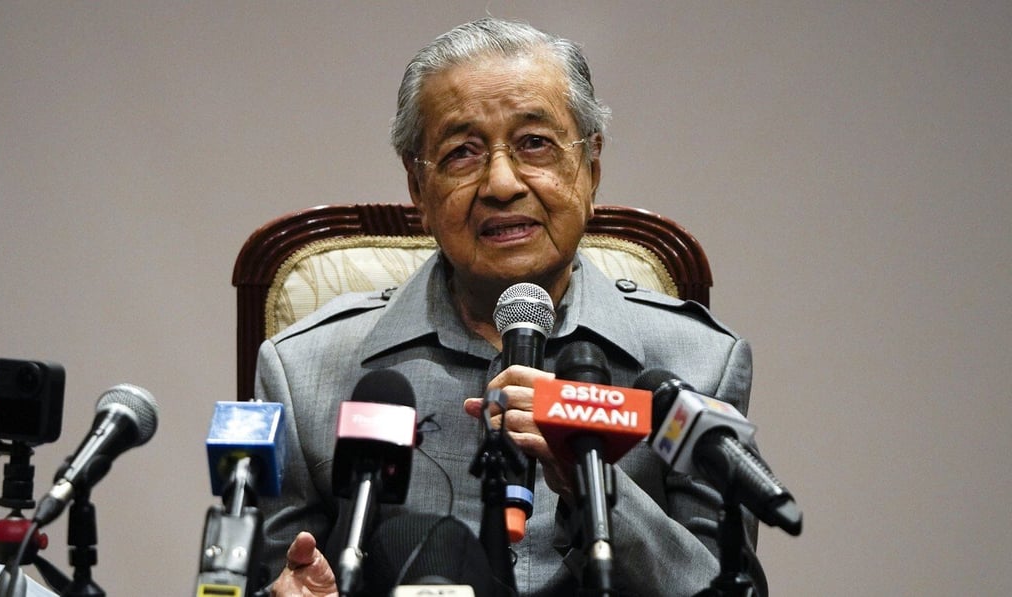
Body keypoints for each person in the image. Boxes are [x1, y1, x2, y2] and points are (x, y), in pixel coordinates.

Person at [256, 17, 759, 597]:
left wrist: (589, 488)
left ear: (591, 166)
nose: (500, 183)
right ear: (417, 189)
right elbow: (268, 576)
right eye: (462, 152)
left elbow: (726, 589)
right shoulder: (306, 372)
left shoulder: (697, 366)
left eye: (534, 144)